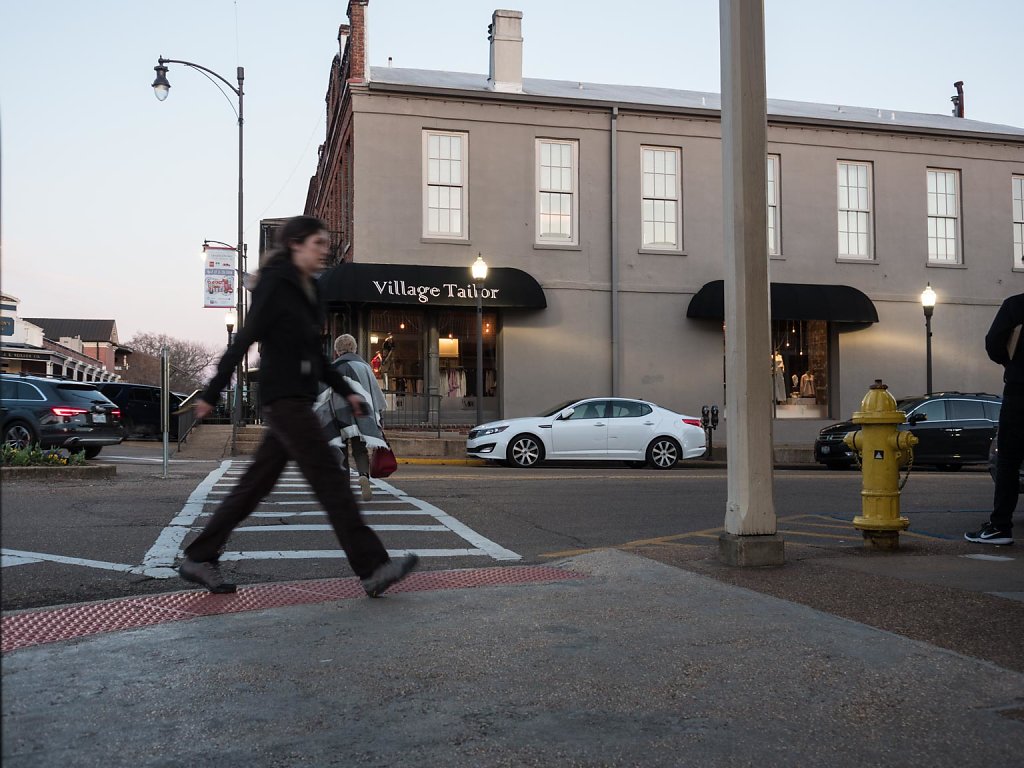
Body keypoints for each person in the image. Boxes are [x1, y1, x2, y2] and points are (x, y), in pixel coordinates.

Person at [178, 215, 418, 595]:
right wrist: (212, 392)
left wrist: (348, 389)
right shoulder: (277, 284)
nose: (325, 251)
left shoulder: (309, 290)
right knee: (330, 481)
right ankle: (374, 568)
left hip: (297, 400)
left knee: (255, 484)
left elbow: (315, 355)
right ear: (296, 245)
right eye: (318, 244)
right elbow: (245, 340)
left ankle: (200, 556)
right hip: (284, 399)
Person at [966, 292, 1024, 545]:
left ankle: (1000, 526)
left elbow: (994, 344)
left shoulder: (1016, 305)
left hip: (1021, 388)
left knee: (1009, 460)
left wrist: (1012, 362)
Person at [316, 333, 387, 501]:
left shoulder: (333, 367)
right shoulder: (364, 367)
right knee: (360, 449)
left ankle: (343, 487)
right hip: (360, 413)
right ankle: (363, 476)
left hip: (337, 414)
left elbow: (323, 394)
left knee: (340, 449)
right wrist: (378, 417)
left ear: (337, 351)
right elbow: (374, 394)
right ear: (355, 348)